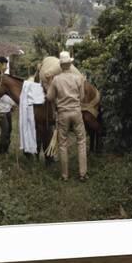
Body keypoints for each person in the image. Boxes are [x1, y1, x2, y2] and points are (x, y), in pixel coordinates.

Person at [46, 51, 88, 182]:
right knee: (81, 141)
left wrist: (48, 84)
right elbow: (81, 97)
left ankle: (64, 176)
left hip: (63, 114)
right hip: (76, 112)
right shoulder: (78, 78)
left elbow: (49, 97)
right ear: (70, 64)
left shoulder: (56, 80)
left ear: (60, 65)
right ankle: (83, 174)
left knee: (63, 144)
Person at [0, 57, 16, 154]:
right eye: (5, 65)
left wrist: (12, 104)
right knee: (5, 129)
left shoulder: (5, 77)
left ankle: (6, 149)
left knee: (9, 129)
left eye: (7, 65)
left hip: (7, 108)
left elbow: (9, 93)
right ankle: (1, 152)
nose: (6, 67)